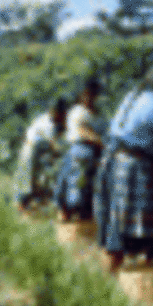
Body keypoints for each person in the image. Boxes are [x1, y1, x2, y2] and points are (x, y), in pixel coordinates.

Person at [92, 58, 153, 274]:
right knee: (120, 231)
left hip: (113, 160)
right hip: (132, 166)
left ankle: (111, 280)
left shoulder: (134, 96)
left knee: (116, 225)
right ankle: (109, 278)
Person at [54, 78, 106, 222]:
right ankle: (71, 215)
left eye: (93, 94)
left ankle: (83, 217)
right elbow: (83, 132)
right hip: (80, 151)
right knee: (76, 184)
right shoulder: (78, 112)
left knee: (88, 187)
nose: (89, 98)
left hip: (94, 153)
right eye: (87, 94)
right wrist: (102, 142)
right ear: (82, 94)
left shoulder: (97, 114)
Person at [13, 99, 68, 214]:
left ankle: (33, 207)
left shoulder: (52, 122)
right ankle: (21, 209)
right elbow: (55, 146)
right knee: (26, 182)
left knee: (36, 181)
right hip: (31, 151)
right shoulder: (47, 123)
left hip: (39, 152)